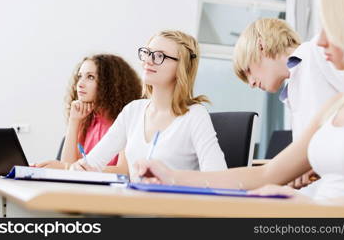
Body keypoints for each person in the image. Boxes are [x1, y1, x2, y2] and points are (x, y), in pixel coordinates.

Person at [134, 0, 344, 214]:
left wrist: (317, 208)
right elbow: (266, 174)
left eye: (331, 28)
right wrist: (171, 176)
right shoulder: (334, 105)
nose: (321, 40)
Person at [68, 30, 227, 178]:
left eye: (159, 56)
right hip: (132, 204)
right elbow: (92, 163)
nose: (148, 61)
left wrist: (171, 178)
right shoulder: (133, 110)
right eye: (147, 53)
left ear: (181, 67)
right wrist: (78, 168)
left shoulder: (195, 115)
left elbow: (218, 178)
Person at [233, 18, 344, 189]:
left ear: (261, 46)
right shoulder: (293, 88)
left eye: (248, 71)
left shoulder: (318, 52)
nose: (251, 83)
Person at [37, 54, 142, 172]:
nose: (80, 84)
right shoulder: (86, 120)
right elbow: (67, 169)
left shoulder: (127, 119)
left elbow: (124, 171)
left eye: (90, 77)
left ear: (110, 84)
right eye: (80, 76)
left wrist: (68, 167)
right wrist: (74, 121)